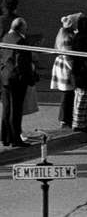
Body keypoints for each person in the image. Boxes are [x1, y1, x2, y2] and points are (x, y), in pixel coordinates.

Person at [1, 17, 36, 146]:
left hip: (5, 76)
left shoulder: (6, 37)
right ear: (21, 27)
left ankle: (5, 137)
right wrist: (30, 78)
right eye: (25, 27)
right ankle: (16, 139)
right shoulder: (21, 41)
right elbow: (23, 63)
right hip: (17, 79)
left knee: (6, 108)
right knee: (16, 110)